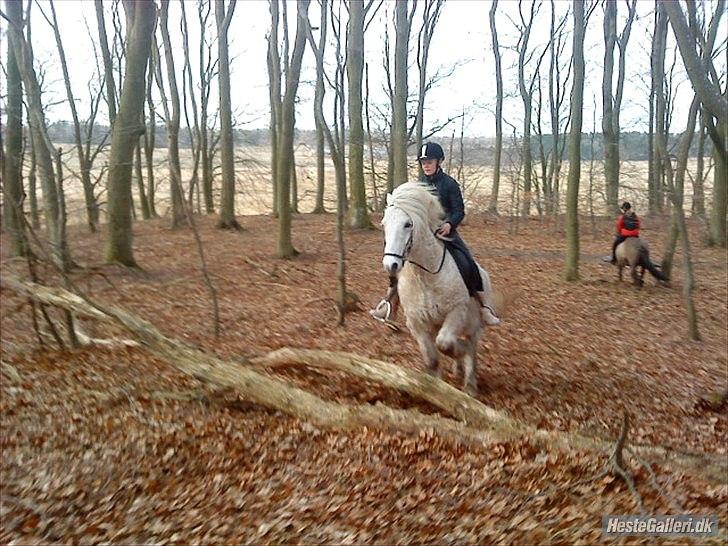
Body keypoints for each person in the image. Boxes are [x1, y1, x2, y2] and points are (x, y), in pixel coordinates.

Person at [370, 142, 500, 327]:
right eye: (423, 162)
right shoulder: (418, 185)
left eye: (429, 161)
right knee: (397, 260)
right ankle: (389, 304)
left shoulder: (449, 184)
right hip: (422, 236)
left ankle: (484, 307)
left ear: (439, 161)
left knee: (467, 261)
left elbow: (459, 211)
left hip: (445, 233)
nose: (426, 165)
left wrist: (449, 224)